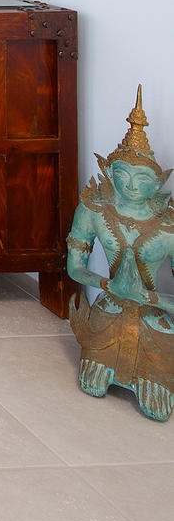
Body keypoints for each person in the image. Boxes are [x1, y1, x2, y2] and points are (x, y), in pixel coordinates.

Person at [66, 87, 174, 421]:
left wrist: (152, 298)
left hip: (154, 313)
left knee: (160, 353)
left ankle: (152, 380)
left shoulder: (168, 227)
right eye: (122, 174)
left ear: (157, 184)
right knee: (93, 381)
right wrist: (106, 284)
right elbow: (74, 268)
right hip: (109, 306)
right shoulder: (94, 209)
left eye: (141, 178)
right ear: (110, 174)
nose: (130, 184)